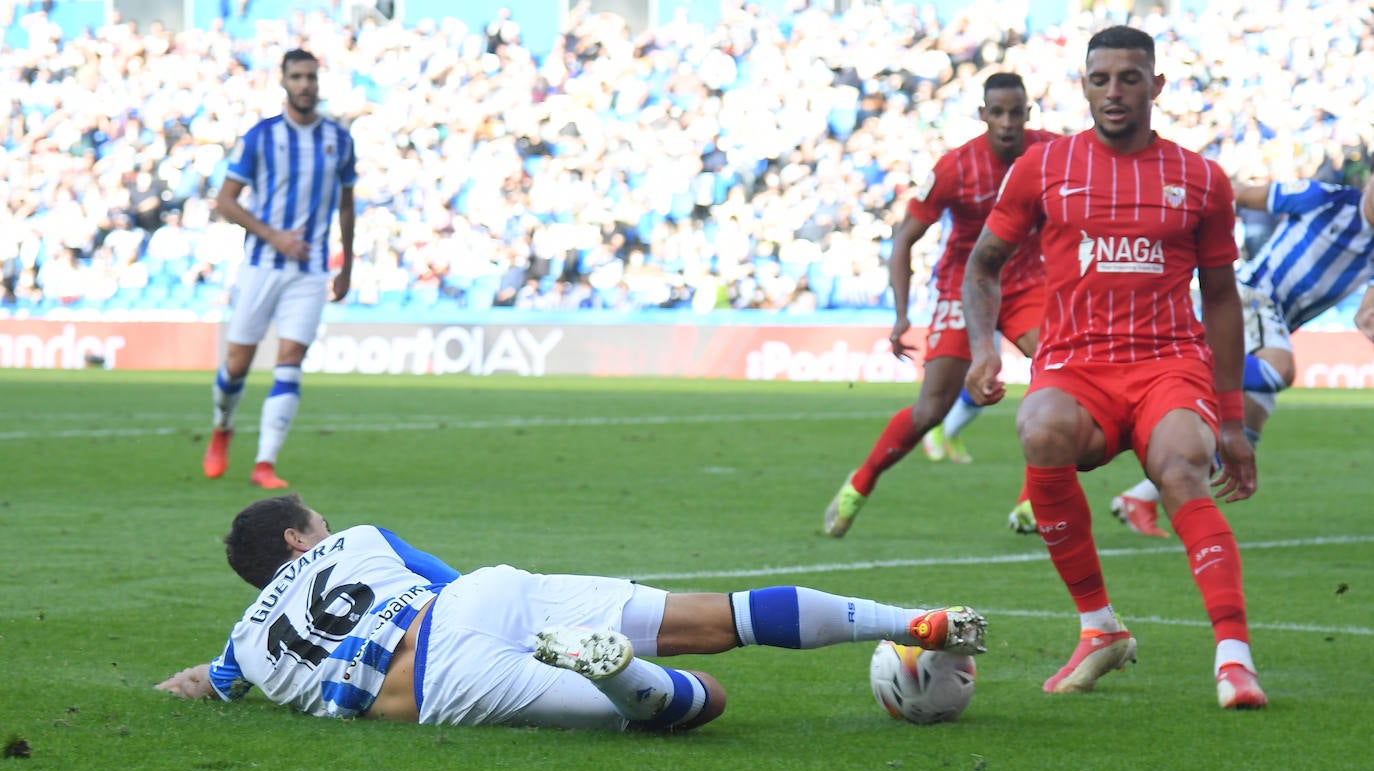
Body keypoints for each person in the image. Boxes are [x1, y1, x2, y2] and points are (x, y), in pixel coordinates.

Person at [960, 25, 1266, 709]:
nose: (1114, 91)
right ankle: (1099, 627)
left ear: (1156, 85)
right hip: (1077, 366)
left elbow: (1220, 297)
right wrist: (984, 347)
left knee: (1184, 461)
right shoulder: (1044, 167)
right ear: (1084, 87)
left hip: (1168, 363)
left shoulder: (1202, 178)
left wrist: (1236, 419)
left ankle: (1234, 658)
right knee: (1038, 429)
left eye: (1130, 78)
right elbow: (983, 267)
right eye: (1100, 79)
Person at [156, 494, 988, 732]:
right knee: (720, 614)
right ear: (300, 538)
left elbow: (206, 682)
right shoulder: (363, 538)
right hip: (487, 596)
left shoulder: (245, 647)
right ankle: (902, 615)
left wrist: (182, 684)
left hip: (445, 678)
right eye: (320, 521)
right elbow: (450, 580)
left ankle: (627, 681)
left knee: (698, 699)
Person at [823, 72, 1056, 538]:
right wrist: (902, 314)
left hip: (1027, 282)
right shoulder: (956, 167)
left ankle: (1035, 499)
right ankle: (860, 484)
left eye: (1016, 113)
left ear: (1028, 114)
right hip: (962, 285)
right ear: (983, 115)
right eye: (998, 113)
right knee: (931, 409)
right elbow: (905, 237)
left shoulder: (1051, 152)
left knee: (1059, 369)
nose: (1008, 122)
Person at [1110, 173, 1374, 537]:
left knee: (1245, 430)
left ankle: (1139, 499)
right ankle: (1178, 356)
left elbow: (1365, 317)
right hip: (1254, 295)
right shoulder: (1326, 199)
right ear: (1370, 181)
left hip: (1277, 321)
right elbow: (1239, 196)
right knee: (1279, 371)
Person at [201, 48, 356, 489]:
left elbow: (347, 204)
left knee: (291, 358)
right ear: (284, 81)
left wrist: (347, 265)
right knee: (237, 364)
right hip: (261, 265)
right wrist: (274, 236)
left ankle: (264, 463)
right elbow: (226, 201)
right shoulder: (261, 137)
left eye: (311, 76)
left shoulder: (339, 140)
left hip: (310, 271)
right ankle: (222, 427)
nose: (306, 84)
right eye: (298, 77)